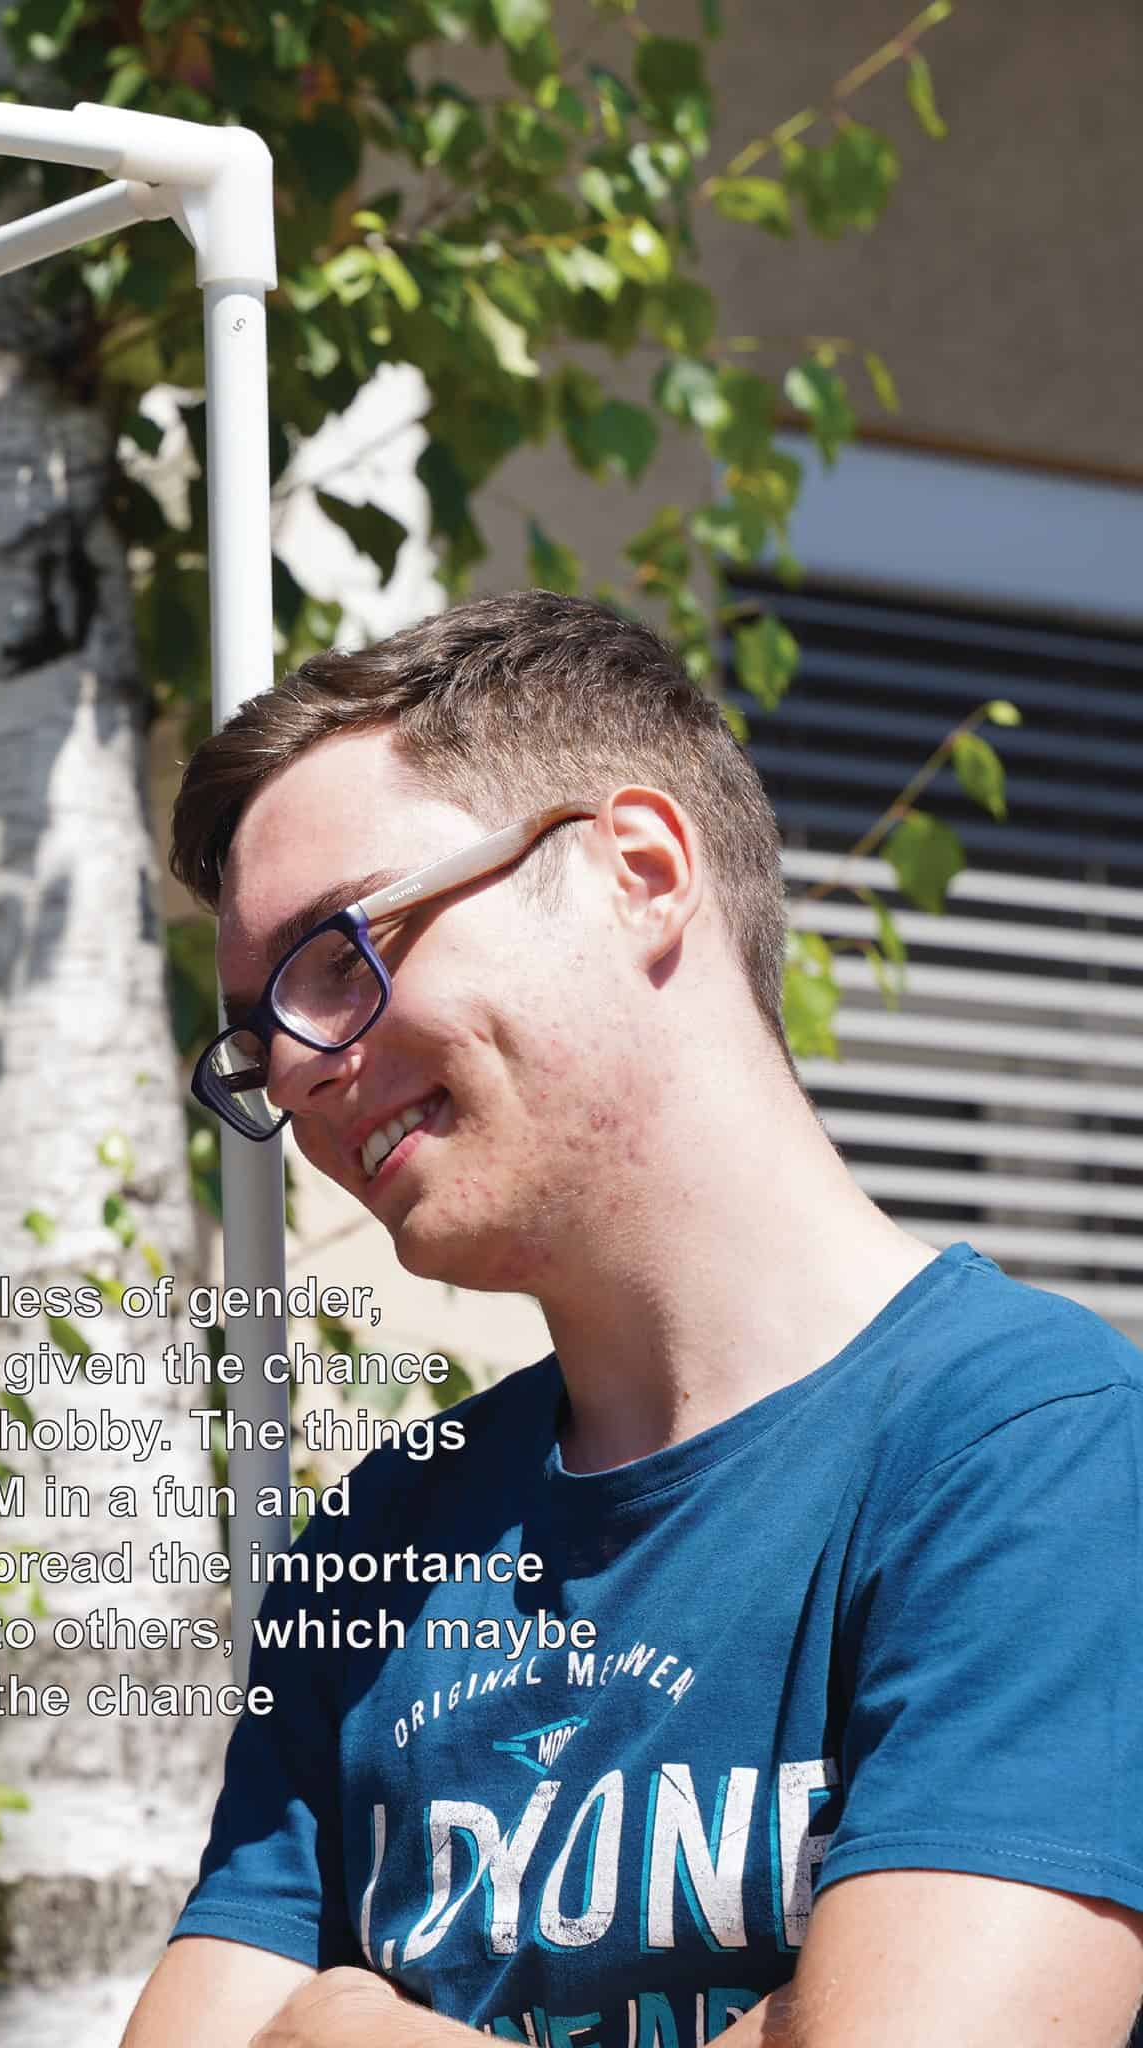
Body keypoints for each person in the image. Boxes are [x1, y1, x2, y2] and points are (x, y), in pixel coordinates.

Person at [121, 591, 1143, 2048]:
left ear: (641, 873)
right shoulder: (386, 1532)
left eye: (341, 952)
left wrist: (345, 2028)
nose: (290, 1070)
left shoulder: (1038, 1455)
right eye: (256, 1030)